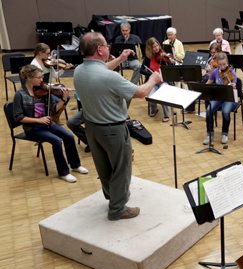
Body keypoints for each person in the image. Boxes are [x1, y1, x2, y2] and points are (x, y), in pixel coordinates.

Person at [73, 32, 162, 221]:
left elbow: (100, 70)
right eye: (106, 44)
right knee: (121, 169)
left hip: (92, 128)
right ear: (99, 49)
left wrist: (121, 59)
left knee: (104, 167)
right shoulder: (109, 78)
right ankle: (118, 209)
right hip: (112, 130)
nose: (108, 47)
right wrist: (153, 79)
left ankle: (112, 197)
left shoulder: (80, 70)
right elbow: (139, 92)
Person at [13, 65, 87, 183]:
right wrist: (38, 120)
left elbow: (53, 109)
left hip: (47, 124)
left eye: (42, 77)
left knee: (69, 136)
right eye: (39, 78)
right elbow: (18, 117)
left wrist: (63, 99)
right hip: (33, 129)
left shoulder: (44, 91)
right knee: (56, 140)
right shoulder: (20, 95)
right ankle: (63, 172)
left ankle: (75, 165)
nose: (42, 80)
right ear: (29, 78)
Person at [203, 52, 239, 145]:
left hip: (229, 98)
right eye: (220, 65)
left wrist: (233, 85)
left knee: (226, 111)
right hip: (218, 97)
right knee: (208, 110)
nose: (222, 67)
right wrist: (203, 86)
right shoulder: (215, 72)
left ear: (227, 62)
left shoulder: (231, 72)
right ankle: (209, 134)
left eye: (224, 64)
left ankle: (225, 133)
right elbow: (209, 83)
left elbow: (234, 84)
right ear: (217, 64)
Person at [140, 37, 171, 122]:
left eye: (157, 45)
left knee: (163, 94)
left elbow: (171, 69)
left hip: (163, 81)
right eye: (154, 47)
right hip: (152, 81)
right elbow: (141, 70)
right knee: (151, 96)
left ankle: (166, 114)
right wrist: (151, 74)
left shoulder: (163, 55)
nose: (156, 48)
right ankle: (154, 109)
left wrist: (170, 61)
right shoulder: (148, 57)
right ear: (150, 48)